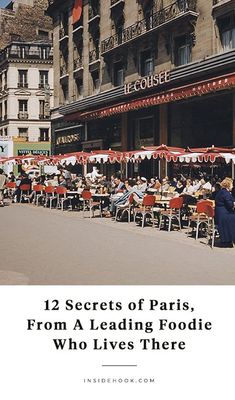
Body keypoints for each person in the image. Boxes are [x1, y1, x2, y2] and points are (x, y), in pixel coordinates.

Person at [215, 177, 235, 247]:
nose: (232, 186)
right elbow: (230, 204)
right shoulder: (225, 193)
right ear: (228, 185)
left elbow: (231, 200)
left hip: (220, 215)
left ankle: (228, 239)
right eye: (232, 185)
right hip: (224, 215)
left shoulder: (222, 192)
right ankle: (230, 238)